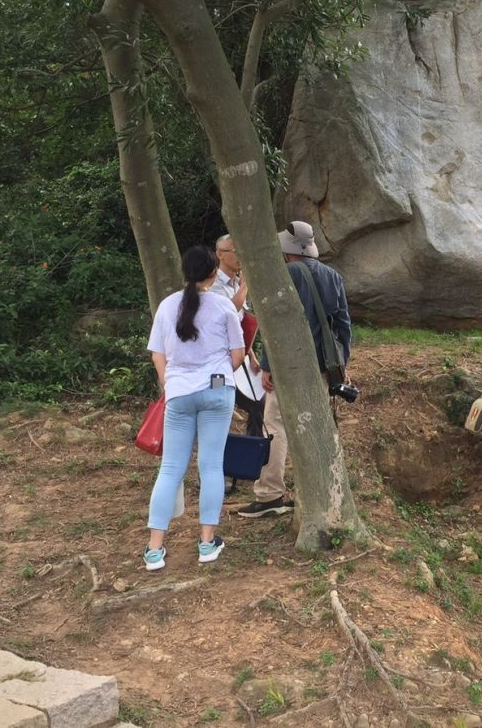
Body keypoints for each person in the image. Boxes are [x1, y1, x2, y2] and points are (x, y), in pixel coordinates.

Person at [238, 221, 351, 518]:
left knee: (275, 426)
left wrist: (268, 365)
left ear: (287, 249)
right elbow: (343, 325)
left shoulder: (283, 276)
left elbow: (274, 323)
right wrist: (342, 364)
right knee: (317, 425)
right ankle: (320, 490)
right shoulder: (333, 277)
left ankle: (269, 494)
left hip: (288, 366)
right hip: (323, 365)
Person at [144, 246, 246, 570]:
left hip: (179, 393)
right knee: (211, 466)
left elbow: (157, 355)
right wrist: (216, 374)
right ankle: (206, 543)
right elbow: (238, 355)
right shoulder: (224, 307)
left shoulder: (166, 306)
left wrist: (169, 383)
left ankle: (154, 550)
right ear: (214, 272)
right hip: (216, 388)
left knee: (171, 469)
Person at [211, 234, 265, 441]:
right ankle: (216, 453)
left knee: (258, 403)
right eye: (234, 251)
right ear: (220, 255)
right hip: (217, 362)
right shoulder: (213, 283)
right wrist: (245, 286)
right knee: (217, 404)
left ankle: (252, 455)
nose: (238, 256)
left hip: (237, 357)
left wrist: (250, 353)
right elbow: (229, 312)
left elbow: (239, 325)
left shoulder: (236, 283)